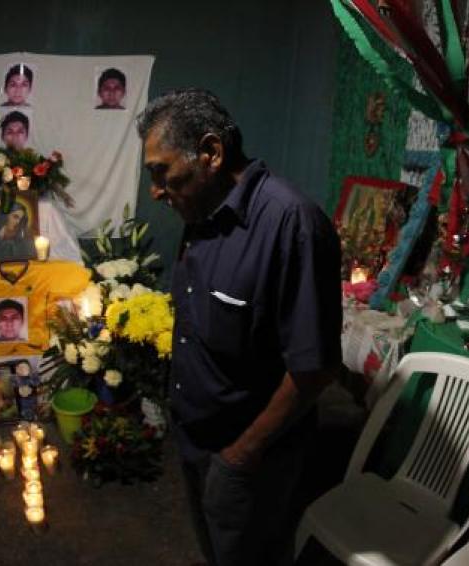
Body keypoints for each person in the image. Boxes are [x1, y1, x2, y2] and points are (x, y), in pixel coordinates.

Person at [137, 89, 342, 566]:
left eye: (160, 172)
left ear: (210, 153)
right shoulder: (200, 210)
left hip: (249, 459)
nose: (155, 190)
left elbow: (314, 368)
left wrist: (240, 455)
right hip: (194, 439)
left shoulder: (291, 225)